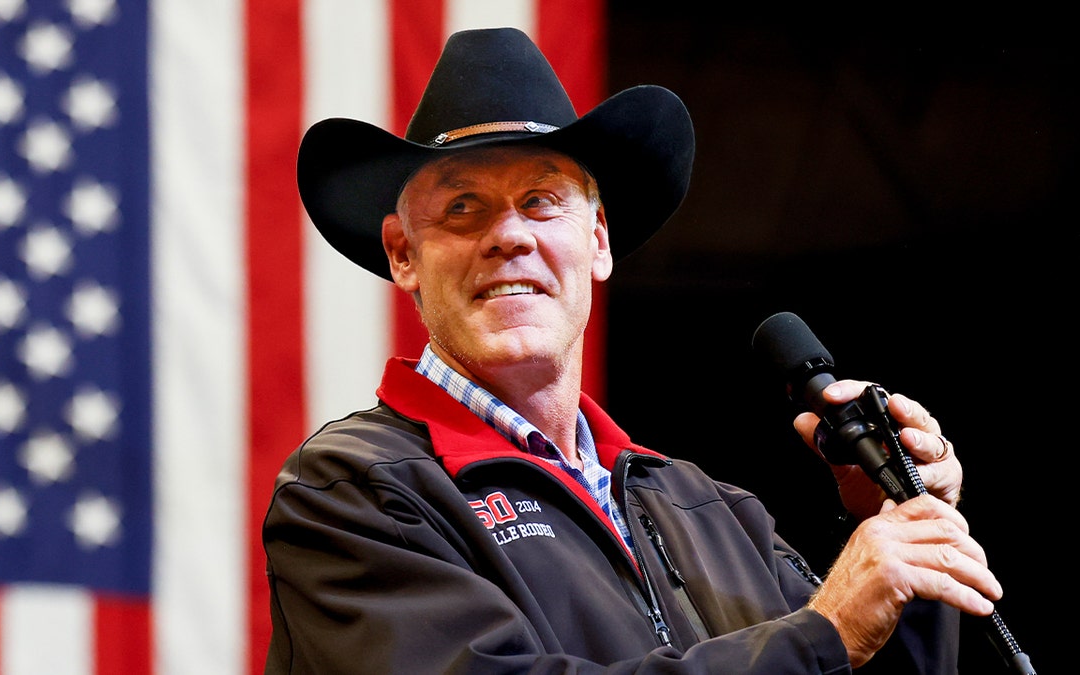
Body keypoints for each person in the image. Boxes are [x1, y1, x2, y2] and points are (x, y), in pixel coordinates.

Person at [263, 27, 1001, 674]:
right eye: (463, 206)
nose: (509, 234)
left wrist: (900, 534)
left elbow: (855, 661)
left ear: (598, 240)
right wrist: (823, 631)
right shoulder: (349, 491)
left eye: (543, 200)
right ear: (403, 255)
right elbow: (822, 643)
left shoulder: (713, 508)